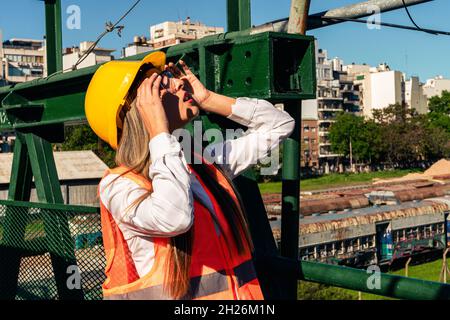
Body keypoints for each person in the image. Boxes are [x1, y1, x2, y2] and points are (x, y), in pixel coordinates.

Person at [85, 51, 295, 300]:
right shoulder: (118, 186)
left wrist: (207, 99)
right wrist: (159, 132)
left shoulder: (205, 168)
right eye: (162, 83)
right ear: (139, 112)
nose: (179, 82)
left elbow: (280, 124)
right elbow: (175, 217)